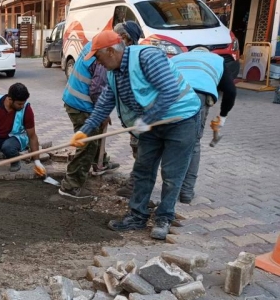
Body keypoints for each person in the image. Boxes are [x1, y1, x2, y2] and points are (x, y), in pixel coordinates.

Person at [70, 31, 202, 240]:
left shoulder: (147, 57)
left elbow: (168, 90)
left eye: (98, 57)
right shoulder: (113, 72)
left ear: (111, 51)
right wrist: (84, 131)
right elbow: (104, 103)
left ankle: (164, 218)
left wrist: (145, 121)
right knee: (143, 169)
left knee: (171, 174)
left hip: (180, 120)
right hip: (151, 122)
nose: (97, 63)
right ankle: (137, 216)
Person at [58, 22, 143, 198]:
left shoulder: (97, 43)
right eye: (131, 43)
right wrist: (102, 114)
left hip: (76, 100)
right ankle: (70, 185)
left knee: (93, 136)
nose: (130, 48)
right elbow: (98, 89)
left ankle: (100, 163)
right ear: (124, 38)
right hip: (81, 104)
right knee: (88, 143)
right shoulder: (105, 54)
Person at [171, 51, 237, 203]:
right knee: (192, 143)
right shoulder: (217, 60)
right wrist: (222, 116)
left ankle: (136, 185)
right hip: (197, 96)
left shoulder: (176, 58)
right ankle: (186, 192)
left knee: (162, 139)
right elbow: (231, 91)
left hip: (168, 94)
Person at [0, 83, 46, 177]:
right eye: (19, 104)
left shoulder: (27, 109)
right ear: (10, 99)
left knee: (8, 147)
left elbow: (32, 136)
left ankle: (15, 160)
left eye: (23, 103)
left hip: (14, 139)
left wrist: (37, 162)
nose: (22, 106)